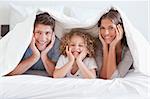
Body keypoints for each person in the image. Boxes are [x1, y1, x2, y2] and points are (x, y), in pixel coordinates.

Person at [8, 12, 60, 77]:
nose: (42, 39)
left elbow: (55, 74)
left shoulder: (56, 44)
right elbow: (10, 72)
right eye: (38, 32)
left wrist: (44, 55)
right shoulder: (23, 42)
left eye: (47, 33)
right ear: (32, 32)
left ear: (53, 34)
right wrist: (35, 56)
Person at [96, 8, 134, 79]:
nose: (106, 33)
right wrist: (105, 46)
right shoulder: (99, 45)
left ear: (120, 29)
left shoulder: (129, 51)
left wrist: (112, 46)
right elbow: (103, 76)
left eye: (111, 28)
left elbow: (112, 77)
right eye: (103, 28)